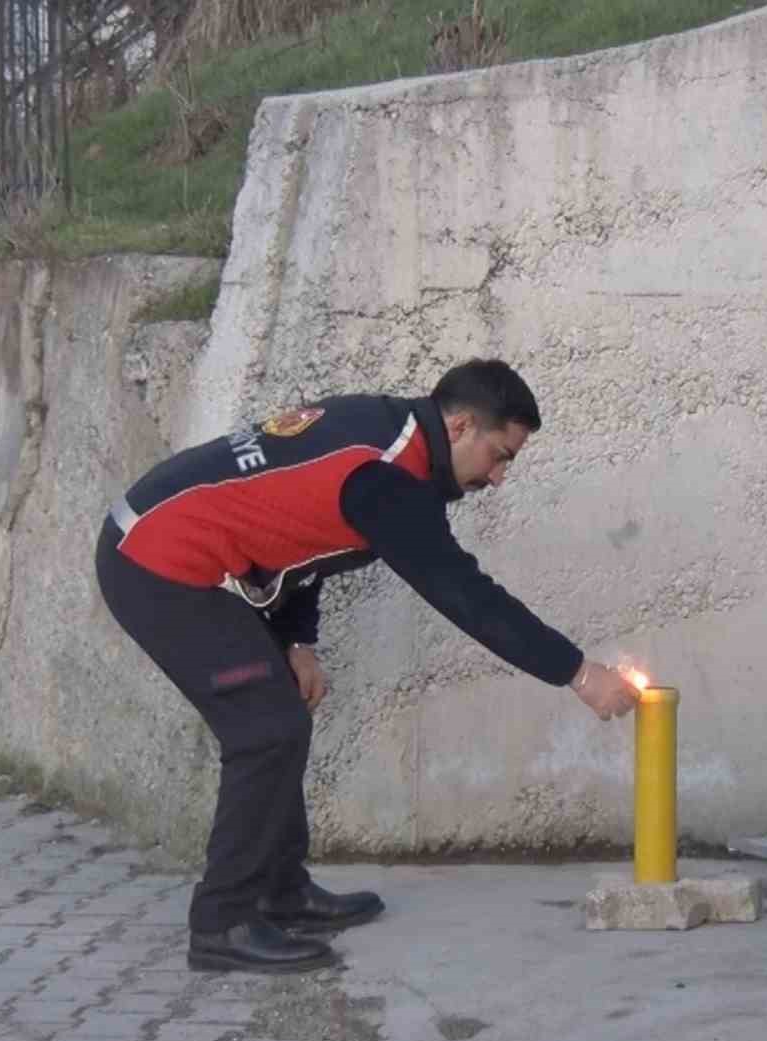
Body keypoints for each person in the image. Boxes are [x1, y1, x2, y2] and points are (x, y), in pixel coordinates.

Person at [94, 358, 642, 973]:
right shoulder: (388, 479)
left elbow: (304, 532)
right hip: (152, 561)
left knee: (278, 715)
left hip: (151, 537)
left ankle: (281, 890)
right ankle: (222, 923)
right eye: (500, 455)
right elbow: (463, 594)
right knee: (266, 729)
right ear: (460, 427)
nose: (500, 476)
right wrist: (576, 672)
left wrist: (298, 642)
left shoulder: (382, 431)